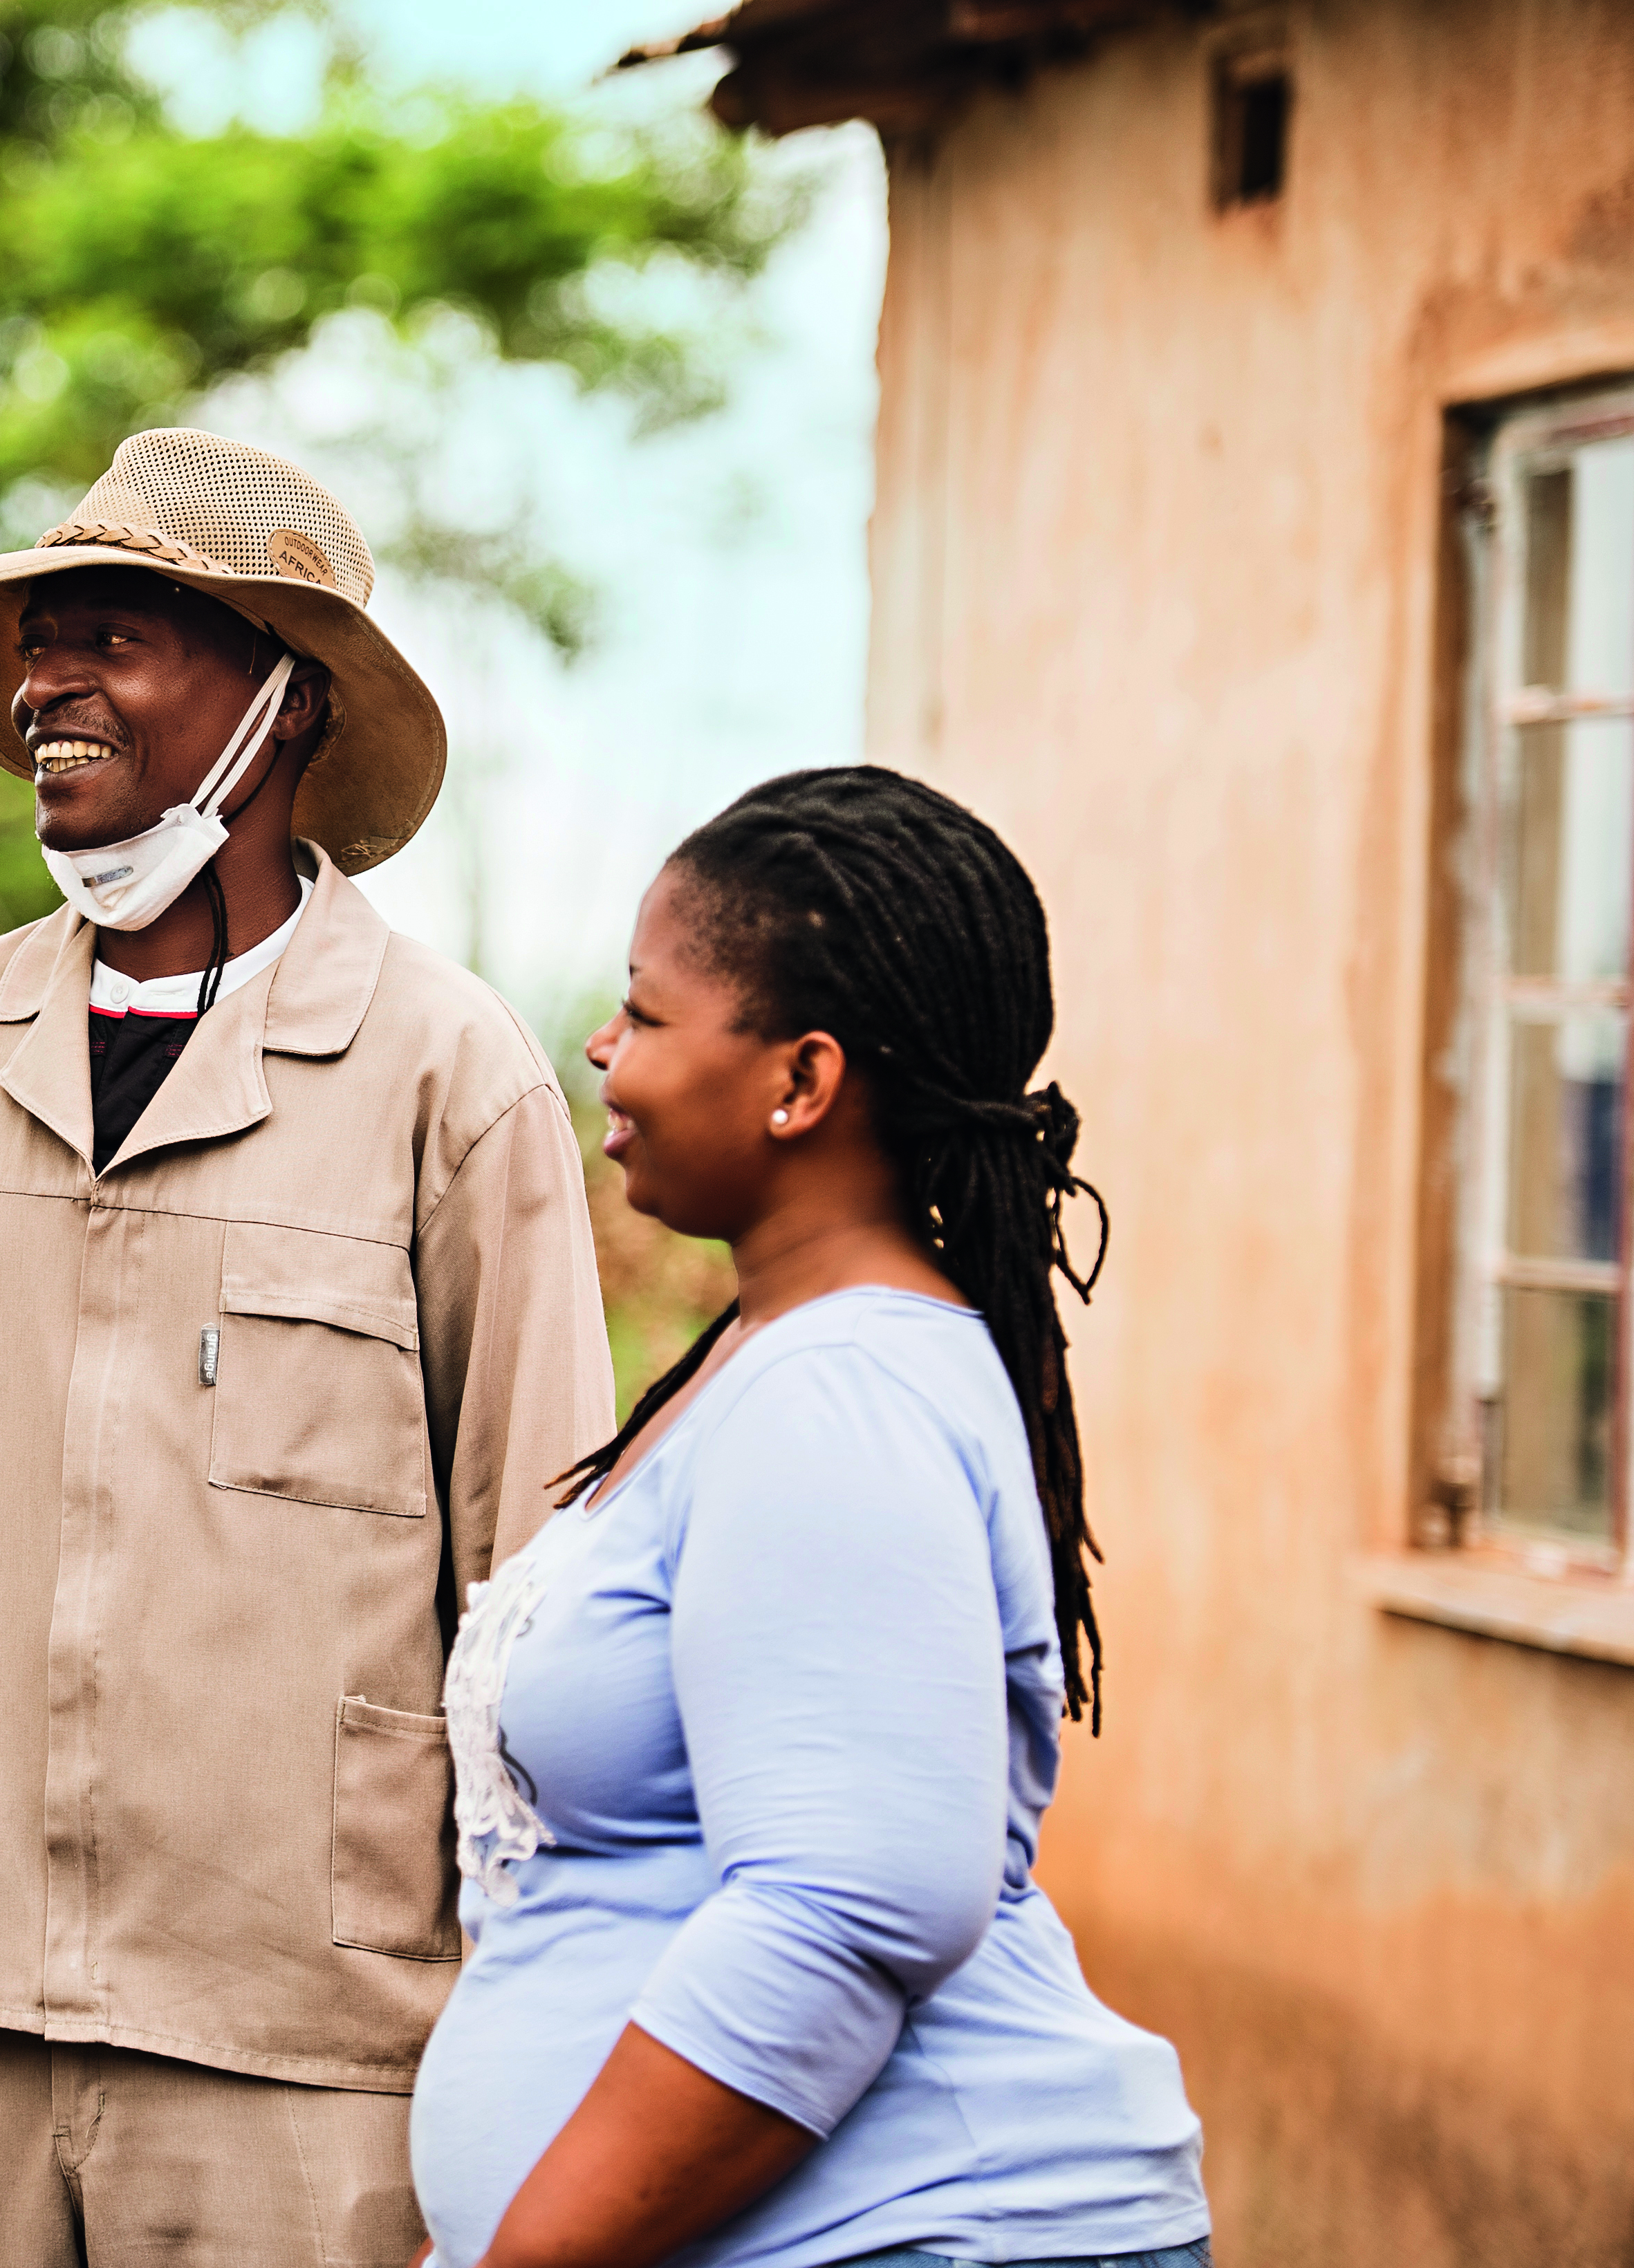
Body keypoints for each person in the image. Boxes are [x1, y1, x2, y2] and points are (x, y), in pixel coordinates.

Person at [0, 428, 614, 2267]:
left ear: (287, 709)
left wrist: (540, 1992)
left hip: (305, 2035)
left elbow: (539, 1583)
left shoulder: (444, 1076)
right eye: (38, 644)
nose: (45, 687)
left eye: (118, 640)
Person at [407, 767, 1208, 2268]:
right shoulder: (779, 1362)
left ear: (800, 1078)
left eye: (645, 1014)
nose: (602, 1045)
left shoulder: (839, 1392)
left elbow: (846, 1905)